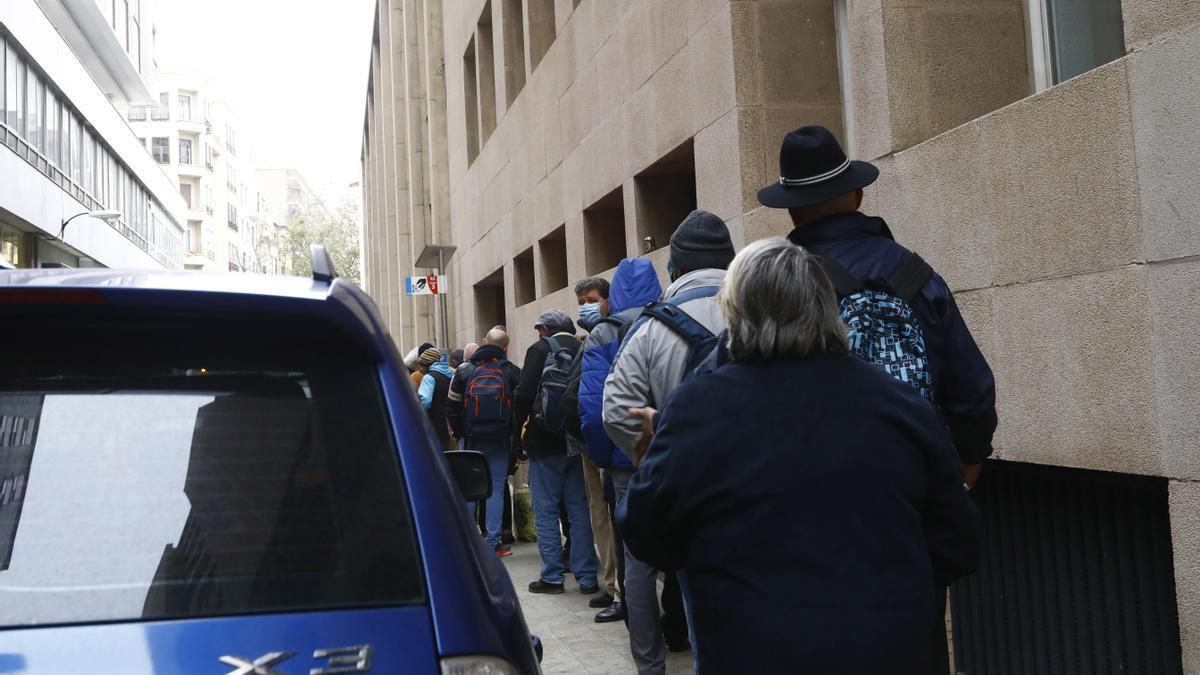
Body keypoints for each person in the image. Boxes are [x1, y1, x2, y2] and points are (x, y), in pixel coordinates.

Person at [617, 237, 982, 674]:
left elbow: (646, 533)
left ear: (735, 315)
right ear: (825, 307)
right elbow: (959, 545)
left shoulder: (696, 411)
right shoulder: (901, 406)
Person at [757, 125, 998, 672]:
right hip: (908, 496)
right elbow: (972, 388)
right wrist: (963, 466)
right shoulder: (913, 273)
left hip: (806, 506)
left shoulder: (772, 289)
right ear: (859, 194)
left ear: (791, 211)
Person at [602, 210, 736, 673]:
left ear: (675, 270)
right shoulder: (762, 308)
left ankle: (652, 665)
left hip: (680, 491)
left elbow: (615, 409)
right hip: (752, 487)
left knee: (645, 570)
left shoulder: (652, 327)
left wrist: (654, 457)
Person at [578, 261, 662, 624]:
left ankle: (643, 642)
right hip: (671, 453)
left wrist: (603, 457)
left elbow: (595, 408)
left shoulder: (604, 334)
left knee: (634, 555)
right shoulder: (670, 321)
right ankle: (676, 625)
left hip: (622, 460)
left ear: (614, 295)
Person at [513, 309, 598, 595]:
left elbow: (524, 394)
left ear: (547, 329)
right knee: (579, 509)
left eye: (540, 329)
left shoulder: (539, 349)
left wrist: (517, 432)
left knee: (546, 510)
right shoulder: (584, 344)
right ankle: (587, 577)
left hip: (544, 440)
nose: (538, 334)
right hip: (577, 439)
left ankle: (552, 577)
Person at [562, 276, 626, 621]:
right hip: (589, 443)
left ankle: (620, 589)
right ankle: (611, 582)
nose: (585, 305)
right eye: (581, 300)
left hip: (607, 444)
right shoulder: (587, 339)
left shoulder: (614, 334)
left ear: (607, 300)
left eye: (590, 298)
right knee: (598, 516)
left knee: (613, 518)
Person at [447, 331, 520, 557]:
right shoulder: (511, 371)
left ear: (484, 343)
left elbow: (452, 408)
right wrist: (515, 443)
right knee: (496, 489)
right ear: (505, 349)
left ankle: (468, 541)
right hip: (499, 440)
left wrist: (461, 435)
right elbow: (518, 411)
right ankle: (493, 543)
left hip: (471, 438)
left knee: (470, 488)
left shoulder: (465, 370)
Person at [417, 348, 455, 451]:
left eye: (421, 365)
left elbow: (424, 402)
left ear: (426, 364)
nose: (420, 369)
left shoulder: (429, 378)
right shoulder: (451, 375)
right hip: (450, 427)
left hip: (434, 427)